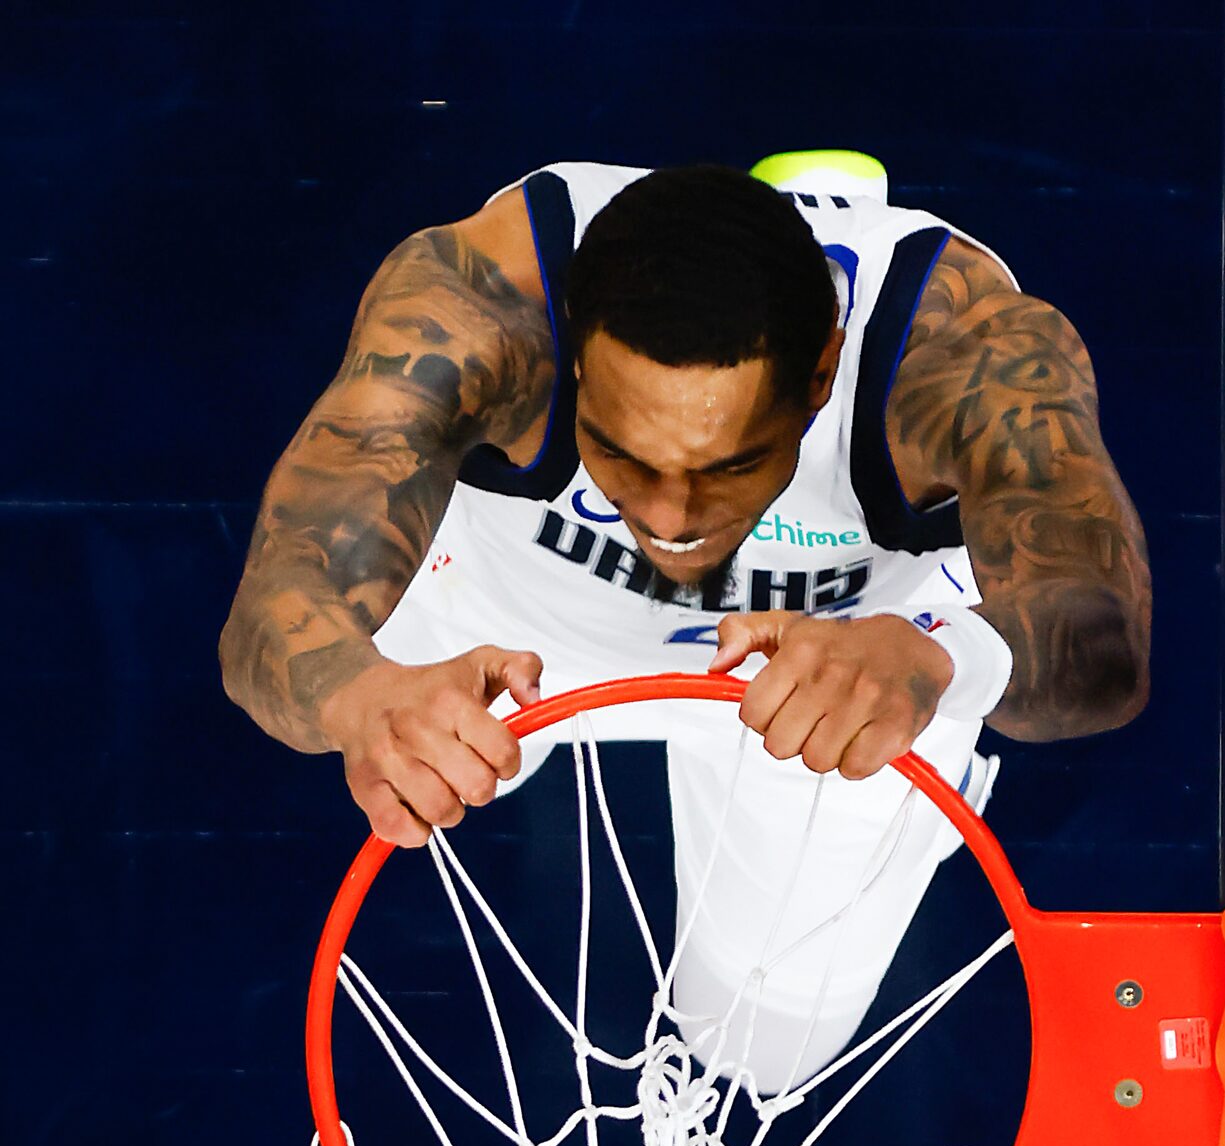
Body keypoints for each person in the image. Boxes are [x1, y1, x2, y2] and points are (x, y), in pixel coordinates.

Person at [219, 160, 1150, 1092]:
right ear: (575, 357)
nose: (668, 516)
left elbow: (1101, 637)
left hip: (838, 666)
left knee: (760, 1052)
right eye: (622, 453)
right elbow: (280, 598)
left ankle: (829, 210)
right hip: (505, 635)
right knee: (374, 700)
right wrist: (359, 696)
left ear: (824, 371)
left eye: (728, 465)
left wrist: (938, 656)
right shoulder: (478, 305)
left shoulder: (958, 351)